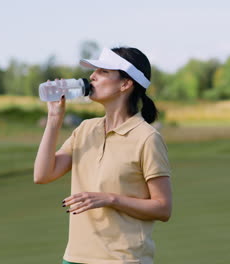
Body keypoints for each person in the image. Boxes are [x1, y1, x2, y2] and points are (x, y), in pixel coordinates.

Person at [33, 46, 172, 264]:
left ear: (125, 84)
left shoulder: (147, 137)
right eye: (94, 71)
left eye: (103, 72)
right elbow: (42, 175)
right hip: (74, 258)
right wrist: (54, 119)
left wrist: (110, 199)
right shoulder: (85, 129)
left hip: (122, 259)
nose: (92, 77)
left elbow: (163, 208)